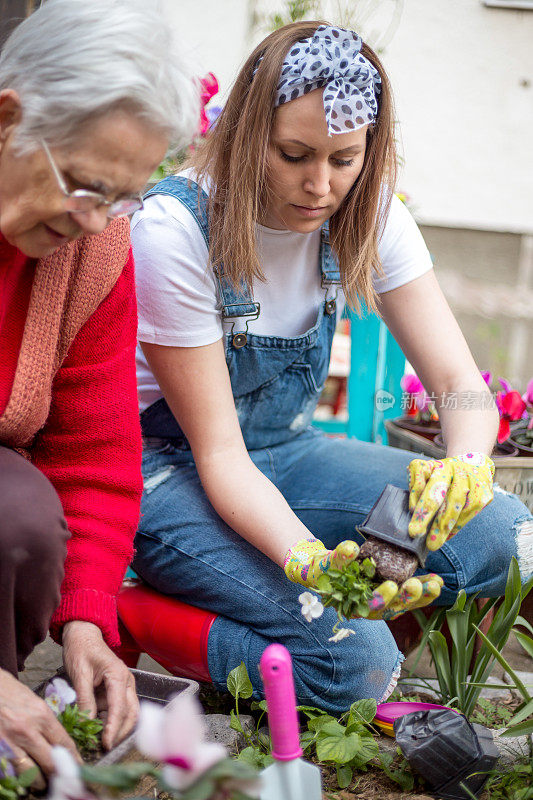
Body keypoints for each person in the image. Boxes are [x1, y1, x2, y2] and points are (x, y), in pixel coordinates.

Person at [131, 21, 533, 712]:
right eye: (293, 155)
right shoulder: (175, 230)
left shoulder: (369, 212)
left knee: (509, 535)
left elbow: (461, 389)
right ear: (247, 133)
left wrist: (465, 467)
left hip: (285, 456)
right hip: (168, 471)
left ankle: (333, 616)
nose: (319, 185)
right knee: (354, 668)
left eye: (344, 159)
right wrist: (309, 564)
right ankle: (136, 612)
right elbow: (221, 456)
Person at [0, 0, 198, 779]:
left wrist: (85, 620)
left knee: (19, 518)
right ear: (8, 118)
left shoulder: (91, 250)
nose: (97, 222)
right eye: (86, 185)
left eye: (122, 197)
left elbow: (93, 457)